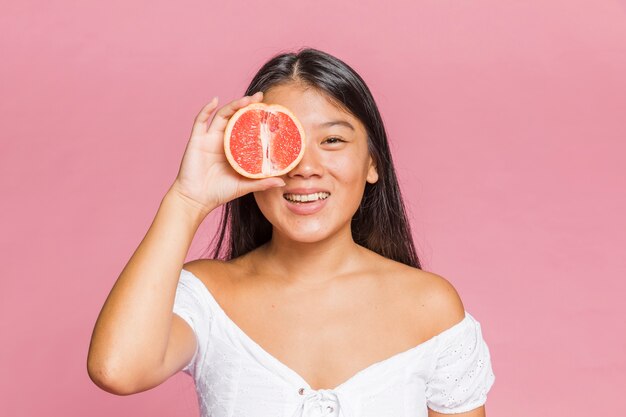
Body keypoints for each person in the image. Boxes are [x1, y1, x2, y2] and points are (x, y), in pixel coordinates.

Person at [87, 48, 495, 417]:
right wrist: (187, 200)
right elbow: (117, 369)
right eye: (283, 143)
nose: (304, 167)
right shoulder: (207, 297)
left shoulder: (431, 307)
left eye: (332, 140)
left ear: (373, 164)